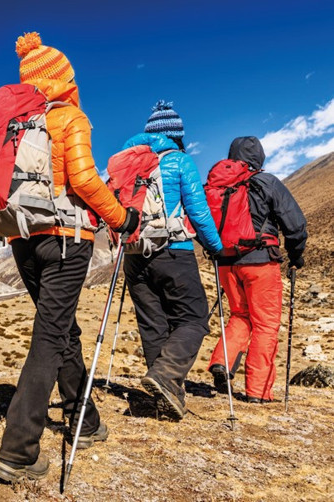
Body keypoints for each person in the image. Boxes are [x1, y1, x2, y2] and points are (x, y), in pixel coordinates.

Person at [0, 32, 138, 483]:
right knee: (51, 334)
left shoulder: (14, 124)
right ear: (62, 81)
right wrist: (122, 218)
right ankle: (18, 450)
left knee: (60, 327)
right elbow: (84, 179)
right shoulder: (69, 118)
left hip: (22, 239)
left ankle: (84, 421)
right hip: (65, 238)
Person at [120, 101, 223, 421]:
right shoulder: (179, 161)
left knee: (153, 324)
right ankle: (166, 376)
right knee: (193, 318)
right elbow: (199, 212)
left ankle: (169, 398)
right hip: (173, 250)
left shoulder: (126, 163)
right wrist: (215, 247)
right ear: (176, 135)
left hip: (134, 255)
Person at [208, 136, 307, 403]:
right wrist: (296, 256)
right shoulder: (266, 181)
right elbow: (294, 223)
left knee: (240, 315)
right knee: (265, 324)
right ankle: (258, 391)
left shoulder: (219, 184)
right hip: (261, 262)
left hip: (226, 263)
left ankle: (222, 362)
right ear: (259, 158)